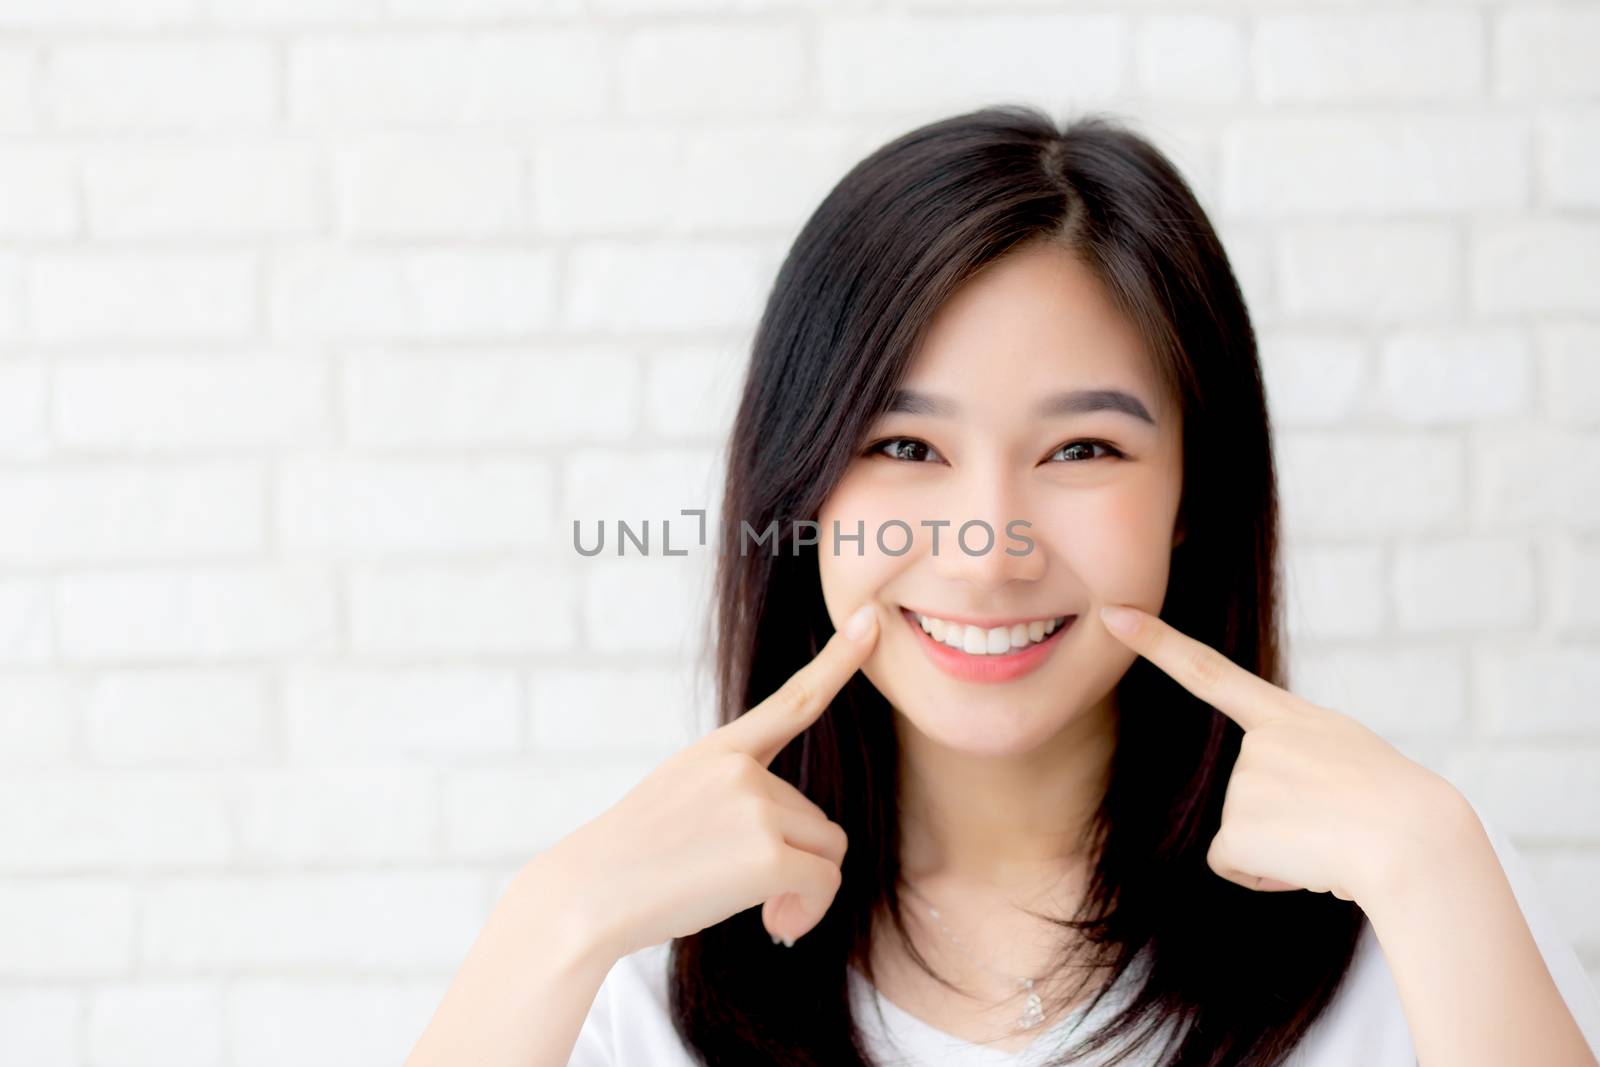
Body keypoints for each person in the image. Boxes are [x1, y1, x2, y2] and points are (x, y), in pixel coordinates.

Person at [405, 106, 1600, 1066]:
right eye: (905, 448)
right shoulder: (635, 959)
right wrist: (547, 922)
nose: (986, 548)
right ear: (802, 483)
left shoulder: (1414, 891)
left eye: (1083, 451)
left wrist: (1438, 869)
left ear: (1193, 499)